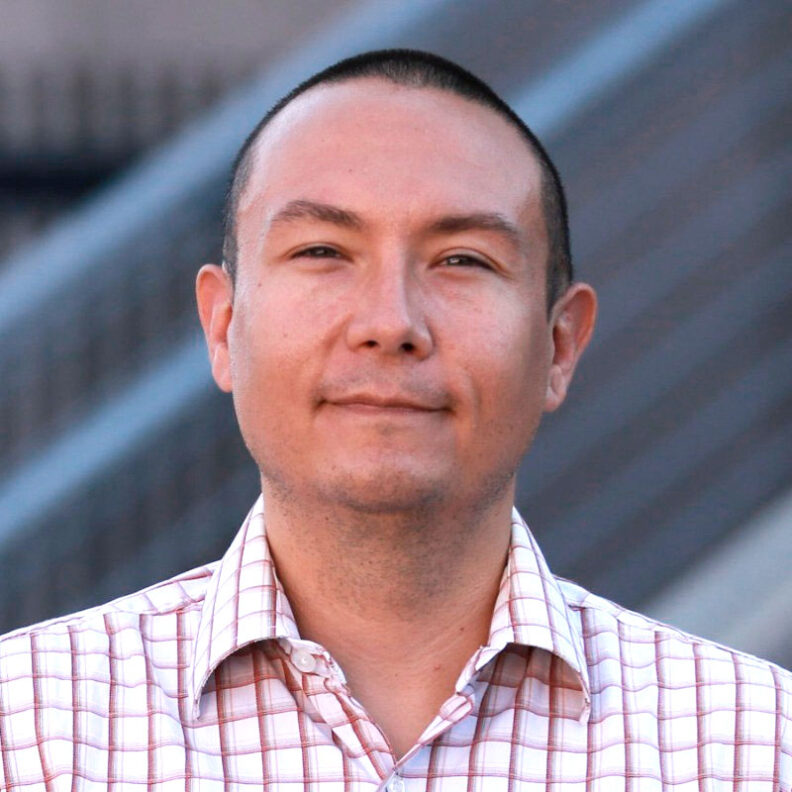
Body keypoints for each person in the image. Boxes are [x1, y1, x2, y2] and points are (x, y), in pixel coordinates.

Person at [0, 49, 789, 790]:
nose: (390, 320)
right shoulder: (29, 730)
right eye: (322, 252)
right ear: (222, 327)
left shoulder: (759, 746)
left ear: (559, 346)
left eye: (463, 260)